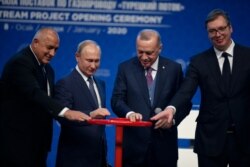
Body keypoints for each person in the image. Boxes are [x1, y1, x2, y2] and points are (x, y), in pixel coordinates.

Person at [151, 9, 250, 167]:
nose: (217, 34)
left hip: (245, 140)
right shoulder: (198, 62)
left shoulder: (248, 56)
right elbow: (186, 90)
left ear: (230, 28)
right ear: (207, 33)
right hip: (210, 141)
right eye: (212, 31)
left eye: (221, 29)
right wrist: (171, 108)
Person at [0, 27, 91, 167]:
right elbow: (35, 94)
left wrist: (88, 114)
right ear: (36, 42)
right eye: (49, 48)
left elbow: (50, 104)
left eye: (56, 49)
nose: (52, 53)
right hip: (16, 145)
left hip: (39, 145)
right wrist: (66, 112)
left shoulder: (48, 70)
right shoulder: (20, 63)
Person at [111, 29, 192, 167]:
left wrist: (172, 121)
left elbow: (184, 103)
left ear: (160, 48)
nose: (143, 57)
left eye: (149, 53)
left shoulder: (174, 69)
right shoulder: (125, 68)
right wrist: (129, 113)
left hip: (164, 150)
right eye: (140, 51)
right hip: (133, 150)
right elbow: (117, 100)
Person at [54, 40, 111, 167]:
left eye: (97, 61)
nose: (93, 65)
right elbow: (62, 117)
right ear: (77, 57)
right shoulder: (65, 84)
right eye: (89, 60)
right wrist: (90, 114)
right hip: (74, 160)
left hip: (98, 159)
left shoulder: (101, 84)